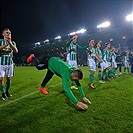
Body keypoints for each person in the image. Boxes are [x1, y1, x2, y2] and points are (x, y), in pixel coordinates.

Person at [27, 54, 91, 110]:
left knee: (48, 76)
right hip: (48, 60)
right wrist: (76, 102)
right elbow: (66, 89)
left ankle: (41, 87)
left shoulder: (74, 71)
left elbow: (78, 84)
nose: (75, 80)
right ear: (74, 75)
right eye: (75, 79)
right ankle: (32, 57)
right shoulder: (65, 73)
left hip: (54, 65)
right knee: (39, 67)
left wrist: (83, 96)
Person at [0, 28, 18, 100]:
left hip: (10, 63)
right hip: (1, 63)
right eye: (7, 33)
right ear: (3, 34)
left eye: (9, 33)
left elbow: (16, 50)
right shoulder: (0, 41)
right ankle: (3, 93)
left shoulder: (13, 42)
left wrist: (10, 43)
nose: (8, 34)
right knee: (1, 79)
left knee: (9, 79)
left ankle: (7, 92)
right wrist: (6, 44)